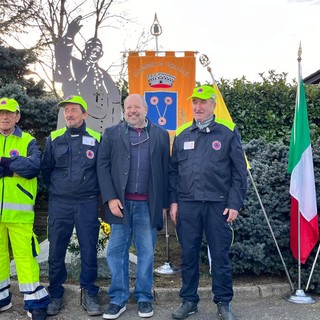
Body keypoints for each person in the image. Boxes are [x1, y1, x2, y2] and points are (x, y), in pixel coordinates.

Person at [169, 85, 247, 320]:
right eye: (195, 102)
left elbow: (239, 171)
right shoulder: (182, 133)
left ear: (213, 105)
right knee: (189, 255)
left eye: (203, 102)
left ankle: (224, 303)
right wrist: (173, 202)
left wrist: (234, 203)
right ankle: (189, 301)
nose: (198, 107)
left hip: (218, 205)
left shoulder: (228, 132)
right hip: (188, 205)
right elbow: (173, 171)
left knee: (220, 256)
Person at [97, 94, 170, 319]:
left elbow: (166, 170)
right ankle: (117, 298)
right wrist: (110, 198)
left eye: (137, 107)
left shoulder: (160, 135)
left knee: (146, 253)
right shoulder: (111, 134)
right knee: (116, 252)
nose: (132, 111)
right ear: (124, 110)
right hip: (119, 204)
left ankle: (144, 297)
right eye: (128, 107)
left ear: (146, 109)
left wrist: (164, 204)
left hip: (148, 206)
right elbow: (102, 166)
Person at [41, 95, 102, 317]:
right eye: (66, 110)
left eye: (74, 110)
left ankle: (89, 293)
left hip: (87, 203)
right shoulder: (54, 138)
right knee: (56, 250)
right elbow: (46, 169)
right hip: (60, 203)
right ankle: (55, 294)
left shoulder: (96, 138)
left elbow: (101, 171)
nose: (69, 114)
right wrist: (59, 190)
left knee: (88, 249)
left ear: (84, 114)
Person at [0, 98, 50, 320]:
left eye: (9, 113)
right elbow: (23, 166)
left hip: (19, 213)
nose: (4, 117)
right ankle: (2, 298)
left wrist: (4, 164)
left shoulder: (28, 140)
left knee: (24, 257)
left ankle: (35, 301)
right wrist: (14, 166)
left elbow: (32, 168)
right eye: (1, 113)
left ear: (17, 116)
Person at [54, 15, 121, 134]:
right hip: (76, 121)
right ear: (85, 51)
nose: (93, 53)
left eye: (96, 51)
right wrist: (69, 35)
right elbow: (62, 56)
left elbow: (115, 99)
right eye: (90, 49)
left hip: (100, 123)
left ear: (101, 54)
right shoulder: (74, 66)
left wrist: (115, 124)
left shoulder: (104, 75)